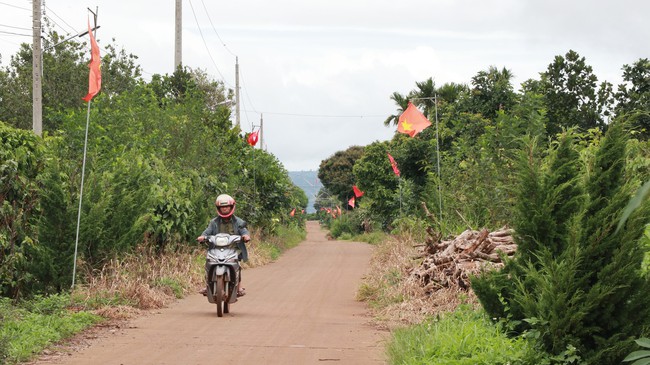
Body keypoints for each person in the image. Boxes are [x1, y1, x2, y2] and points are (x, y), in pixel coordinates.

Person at [197, 194, 250, 297]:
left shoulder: (238, 221)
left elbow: (244, 231)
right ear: (218, 208)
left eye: (226, 207)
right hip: (216, 249)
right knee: (208, 264)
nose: (225, 209)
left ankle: (239, 287)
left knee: (237, 266)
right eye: (222, 207)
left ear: (231, 207)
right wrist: (203, 236)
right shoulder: (214, 222)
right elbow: (207, 231)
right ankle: (208, 286)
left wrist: (245, 236)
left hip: (234, 249)